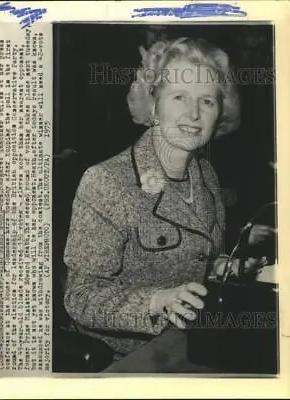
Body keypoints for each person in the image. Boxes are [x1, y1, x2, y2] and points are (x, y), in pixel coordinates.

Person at [63, 37, 271, 361]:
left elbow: (194, 261)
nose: (193, 114)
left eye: (207, 101)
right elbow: (80, 298)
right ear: (154, 103)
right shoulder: (107, 181)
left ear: (220, 113)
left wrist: (236, 267)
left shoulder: (207, 176)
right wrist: (157, 301)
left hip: (194, 344)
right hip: (124, 358)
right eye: (179, 97)